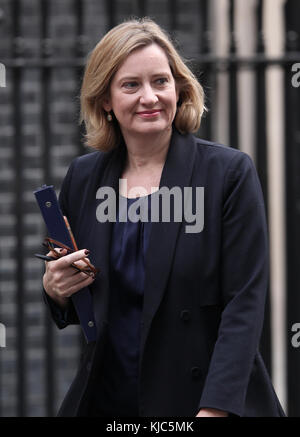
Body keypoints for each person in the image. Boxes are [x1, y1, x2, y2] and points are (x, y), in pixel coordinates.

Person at [42, 17, 285, 417]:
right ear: (105, 99)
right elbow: (74, 301)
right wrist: (55, 288)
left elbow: (245, 303)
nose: (150, 97)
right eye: (131, 85)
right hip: (110, 396)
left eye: (160, 81)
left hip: (200, 399)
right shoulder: (84, 178)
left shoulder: (228, 173)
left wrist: (215, 409)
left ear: (179, 88)